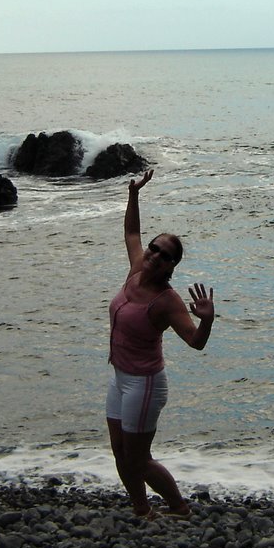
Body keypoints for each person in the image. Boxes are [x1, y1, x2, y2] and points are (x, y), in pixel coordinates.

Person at [106, 169, 215, 518]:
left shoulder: (167, 300)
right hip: (120, 377)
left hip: (145, 384)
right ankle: (141, 510)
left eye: (163, 254)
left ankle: (179, 508)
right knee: (119, 451)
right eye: (154, 248)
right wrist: (135, 194)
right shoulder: (136, 268)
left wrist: (207, 320)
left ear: (172, 265)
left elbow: (195, 343)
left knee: (139, 458)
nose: (153, 254)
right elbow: (131, 232)